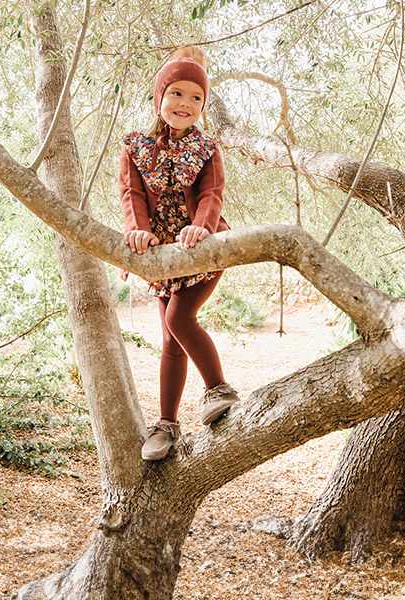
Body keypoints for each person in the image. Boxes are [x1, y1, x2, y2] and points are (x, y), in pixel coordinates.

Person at [119, 46, 239, 461]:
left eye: (195, 98)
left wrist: (200, 227)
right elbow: (131, 194)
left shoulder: (207, 148)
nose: (185, 103)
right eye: (177, 93)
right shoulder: (136, 146)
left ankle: (218, 390)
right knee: (170, 340)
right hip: (160, 258)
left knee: (178, 317)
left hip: (200, 249)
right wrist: (138, 232)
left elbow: (211, 194)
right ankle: (167, 425)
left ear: (203, 106)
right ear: (159, 97)